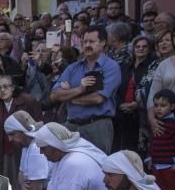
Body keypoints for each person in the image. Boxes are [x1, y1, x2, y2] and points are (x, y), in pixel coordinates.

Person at [49, 25, 121, 154]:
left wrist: (69, 97)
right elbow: (54, 95)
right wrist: (80, 90)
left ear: (103, 43)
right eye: (85, 42)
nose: (87, 45)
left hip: (97, 126)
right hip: (71, 126)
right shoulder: (73, 68)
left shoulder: (111, 67)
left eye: (92, 42)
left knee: (98, 167)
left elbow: (98, 98)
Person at [0, 74, 41, 178]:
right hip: (5, 152)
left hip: (26, 149)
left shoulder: (28, 101)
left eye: (5, 86)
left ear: (12, 87)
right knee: (9, 183)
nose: (2, 90)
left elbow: (39, 124)